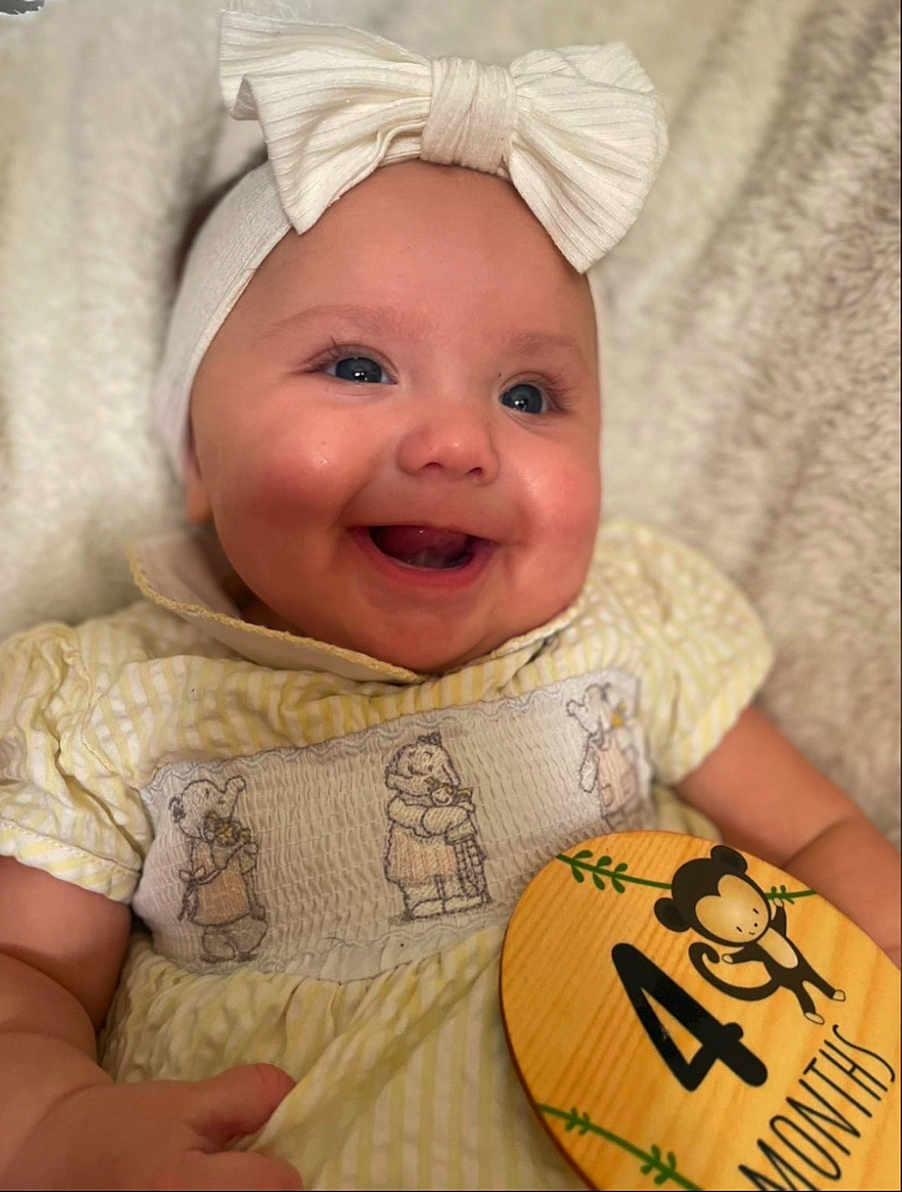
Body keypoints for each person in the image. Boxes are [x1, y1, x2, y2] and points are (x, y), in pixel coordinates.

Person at [0, 13, 898, 1191]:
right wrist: (52, 1132)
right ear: (200, 462)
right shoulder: (118, 705)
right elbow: (31, 980)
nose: (458, 441)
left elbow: (816, 836)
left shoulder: (623, 623)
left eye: (527, 393)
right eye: (358, 367)